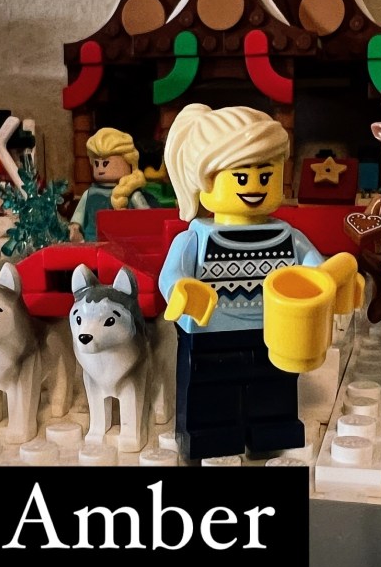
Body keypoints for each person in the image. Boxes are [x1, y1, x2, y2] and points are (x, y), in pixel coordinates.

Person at [159, 104, 323, 459]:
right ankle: (210, 433)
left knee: (276, 383)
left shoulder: (287, 235)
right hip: (210, 333)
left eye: (266, 176)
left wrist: (329, 282)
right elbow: (171, 275)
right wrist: (182, 289)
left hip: (277, 331)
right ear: (204, 181)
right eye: (241, 177)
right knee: (210, 388)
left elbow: (315, 268)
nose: (255, 187)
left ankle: (272, 428)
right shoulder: (197, 237)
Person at [69, 128, 149, 242]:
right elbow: (78, 219)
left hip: (125, 245)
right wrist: (75, 228)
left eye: (106, 163)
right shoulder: (89, 194)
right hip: (93, 242)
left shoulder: (133, 195)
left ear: (128, 161)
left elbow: (148, 220)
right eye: (97, 163)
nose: (100, 168)